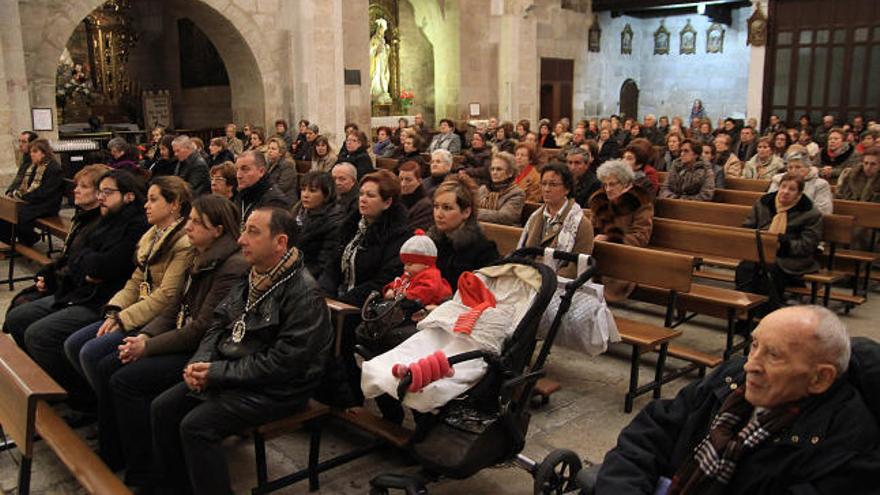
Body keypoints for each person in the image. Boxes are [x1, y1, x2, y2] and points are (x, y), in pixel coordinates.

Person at [597, 305, 879, 494]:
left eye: (774, 355)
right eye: (754, 345)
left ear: (820, 379)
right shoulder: (732, 378)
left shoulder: (848, 449)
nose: (750, 365)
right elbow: (649, 434)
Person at [151, 207, 332, 494]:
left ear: (281, 242)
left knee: (196, 426)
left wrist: (216, 372)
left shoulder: (304, 294)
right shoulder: (254, 275)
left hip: (281, 389)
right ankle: (176, 487)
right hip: (237, 369)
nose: (241, 240)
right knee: (162, 408)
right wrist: (201, 362)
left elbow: (284, 364)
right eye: (244, 229)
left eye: (253, 232)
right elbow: (218, 325)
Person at [101, 195, 247, 488]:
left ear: (217, 230)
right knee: (108, 364)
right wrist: (144, 335)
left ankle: (146, 469)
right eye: (189, 219)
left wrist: (149, 347)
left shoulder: (231, 266)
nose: (188, 226)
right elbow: (175, 307)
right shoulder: (199, 252)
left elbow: (203, 327)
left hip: (203, 351)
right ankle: (125, 455)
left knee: (125, 380)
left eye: (196, 222)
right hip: (184, 338)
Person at [63, 176, 194, 464]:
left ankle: (115, 425)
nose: (146, 205)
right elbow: (136, 281)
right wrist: (114, 310)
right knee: (75, 345)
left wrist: (124, 319)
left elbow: (166, 296)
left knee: (92, 352)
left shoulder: (183, 242)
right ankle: (108, 414)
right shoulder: (152, 236)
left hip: (157, 320)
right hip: (135, 310)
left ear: (173, 205)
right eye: (146, 198)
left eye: (153, 199)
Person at [3, 170, 149, 412]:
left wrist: (86, 262)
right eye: (100, 191)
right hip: (80, 289)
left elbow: (102, 268)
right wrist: (85, 263)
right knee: (18, 317)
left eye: (107, 192)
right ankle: (48, 385)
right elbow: (78, 256)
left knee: (40, 334)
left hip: (100, 300)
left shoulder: (135, 227)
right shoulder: (103, 220)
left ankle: (80, 399)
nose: (101, 197)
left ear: (129, 197)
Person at [6, 164, 109, 311]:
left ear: (100, 193)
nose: (76, 190)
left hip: (80, 292)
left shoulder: (98, 225)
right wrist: (47, 274)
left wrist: (51, 280)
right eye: (76, 185)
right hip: (64, 280)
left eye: (84, 187)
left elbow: (80, 264)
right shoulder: (81, 218)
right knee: (19, 304)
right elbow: (67, 256)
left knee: (22, 313)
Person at [738, 173, 822, 309]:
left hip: (791, 258)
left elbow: (809, 244)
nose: (785, 192)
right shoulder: (764, 203)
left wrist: (784, 244)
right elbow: (748, 226)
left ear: (799, 194)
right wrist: (759, 238)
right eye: (783, 187)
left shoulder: (810, 213)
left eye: (792, 189)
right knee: (745, 267)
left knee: (769, 269)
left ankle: (766, 312)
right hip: (762, 251)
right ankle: (743, 310)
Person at [589, 160, 654, 301]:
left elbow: (641, 237)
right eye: (605, 185)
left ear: (625, 183)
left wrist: (610, 239)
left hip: (624, 257)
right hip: (597, 252)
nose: (607, 189)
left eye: (612, 184)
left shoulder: (639, 202)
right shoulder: (600, 201)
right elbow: (591, 228)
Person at [518, 162, 594, 279]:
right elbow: (524, 253)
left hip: (558, 282)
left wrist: (548, 280)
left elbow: (577, 266)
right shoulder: (535, 217)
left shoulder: (581, 224)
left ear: (567, 189)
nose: (546, 189)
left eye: (553, 184)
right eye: (543, 184)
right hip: (530, 276)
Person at [429, 175, 500, 286]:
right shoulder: (430, 242)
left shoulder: (483, 251)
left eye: (447, 208)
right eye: (436, 206)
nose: (438, 214)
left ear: (466, 212)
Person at [0, 138, 63, 246]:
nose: (31, 155)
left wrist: (23, 197)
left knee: (18, 213)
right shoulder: (34, 167)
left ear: (44, 153)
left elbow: (45, 193)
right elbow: (27, 186)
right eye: (30, 152)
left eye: (35, 152)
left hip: (47, 205)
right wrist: (16, 193)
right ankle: (8, 241)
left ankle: (29, 239)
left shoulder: (53, 169)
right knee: (5, 209)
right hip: (35, 201)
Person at [291, 171, 343, 280]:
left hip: (309, 276)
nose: (305, 194)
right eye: (303, 189)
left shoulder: (334, 221)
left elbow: (323, 263)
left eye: (312, 191)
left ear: (326, 194)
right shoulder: (298, 210)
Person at [383, 231, 453, 310]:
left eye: (410, 264)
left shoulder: (431, 275)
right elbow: (399, 282)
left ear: (426, 263)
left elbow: (424, 292)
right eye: (405, 264)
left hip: (428, 308)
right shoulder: (409, 274)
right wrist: (390, 289)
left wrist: (401, 295)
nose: (405, 267)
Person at [235, 150, 292, 229]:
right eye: (237, 169)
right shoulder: (242, 194)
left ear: (261, 171)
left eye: (245, 169)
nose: (238, 175)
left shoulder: (275, 202)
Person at [768, 151, 832, 215]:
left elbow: (823, 211)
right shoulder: (778, 180)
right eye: (790, 167)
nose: (793, 171)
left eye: (798, 167)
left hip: (804, 220)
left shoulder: (820, 185)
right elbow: (769, 203)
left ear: (808, 168)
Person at [477, 152, 525, 226]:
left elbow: (505, 217)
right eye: (492, 169)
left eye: (499, 169)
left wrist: (475, 212)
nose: (494, 172)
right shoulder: (483, 189)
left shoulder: (517, 193)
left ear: (510, 173)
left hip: (505, 234)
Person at [398, 161, 434, 232]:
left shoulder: (425, 206)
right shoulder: (397, 200)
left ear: (419, 181)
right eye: (401, 179)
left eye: (408, 180)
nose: (403, 184)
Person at [265, 137, 299, 201]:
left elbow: (282, 187)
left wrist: (265, 191)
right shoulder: (270, 163)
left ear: (281, 152)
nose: (269, 151)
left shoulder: (288, 164)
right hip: (273, 197)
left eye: (273, 149)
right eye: (269, 148)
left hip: (285, 199)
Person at [6, 131, 38, 195]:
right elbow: (18, 179)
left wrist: (14, 193)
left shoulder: (35, 161)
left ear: (32, 144)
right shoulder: (25, 158)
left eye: (24, 142)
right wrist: (9, 191)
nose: (20, 145)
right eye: (19, 141)